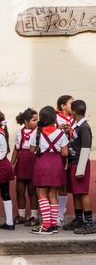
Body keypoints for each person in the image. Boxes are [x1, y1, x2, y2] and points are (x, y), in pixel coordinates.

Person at [30, 106, 69, 235]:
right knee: (53, 195)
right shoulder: (60, 133)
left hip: (41, 164)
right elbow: (64, 153)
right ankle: (53, 224)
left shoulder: (37, 132)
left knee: (41, 195)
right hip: (56, 164)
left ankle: (46, 225)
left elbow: (32, 150)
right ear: (54, 118)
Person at [65, 100, 95, 234]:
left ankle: (89, 223)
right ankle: (79, 220)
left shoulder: (84, 127)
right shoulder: (76, 126)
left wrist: (81, 169)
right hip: (73, 163)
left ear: (74, 112)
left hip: (80, 164)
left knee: (82, 193)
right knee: (76, 193)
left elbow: (86, 147)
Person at [11, 108, 39, 227]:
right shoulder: (19, 133)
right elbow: (16, 150)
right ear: (26, 122)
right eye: (34, 120)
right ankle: (21, 215)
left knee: (32, 191)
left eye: (37, 119)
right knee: (19, 190)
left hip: (33, 161)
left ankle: (34, 216)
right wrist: (11, 164)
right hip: (22, 162)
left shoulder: (38, 132)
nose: (37, 122)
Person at [56, 95, 75, 225]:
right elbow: (48, 133)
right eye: (71, 103)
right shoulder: (55, 117)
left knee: (69, 184)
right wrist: (58, 129)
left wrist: (71, 130)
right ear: (63, 106)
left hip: (72, 155)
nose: (73, 106)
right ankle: (58, 214)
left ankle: (63, 212)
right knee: (59, 184)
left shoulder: (76, 119)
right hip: (59, 154)